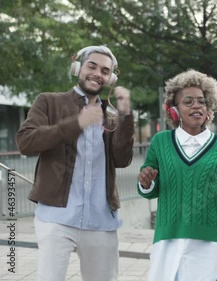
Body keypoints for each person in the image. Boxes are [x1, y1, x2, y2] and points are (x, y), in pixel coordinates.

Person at [16, 45, 135, 281]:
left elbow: (122, 160)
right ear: (77, 67)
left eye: (104, 70)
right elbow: (26, 142)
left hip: (102, 220)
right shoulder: (48, 102)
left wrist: (126, 117)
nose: (97, 74)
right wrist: (77, 123)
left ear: (110, 78)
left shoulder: (110, 117)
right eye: (92, 66)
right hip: (56, 217)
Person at [137, 69, 217, 281]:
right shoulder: (160, 142)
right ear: (174, 110)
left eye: (202, 101)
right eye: (188, 101)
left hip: (212, 242)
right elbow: (150, 190)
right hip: (170, 238)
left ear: (209, 107)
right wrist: (146, 182)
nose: (196, 106)